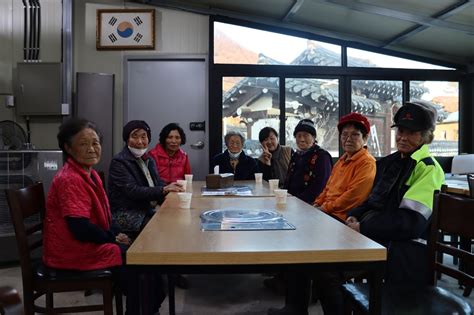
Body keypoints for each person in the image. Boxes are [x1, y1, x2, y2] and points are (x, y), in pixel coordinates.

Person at [268, 101, 445, 315]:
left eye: (411, 132)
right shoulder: (391, 161)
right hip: (369, 235)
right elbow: (371, 200)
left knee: (326, 269)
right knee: (305, 250)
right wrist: (354, 217)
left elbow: (411, 223)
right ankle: (295, 308)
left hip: (398, 248)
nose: (403, 137)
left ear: (426, 136)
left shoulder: (427, 168)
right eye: (400, 130)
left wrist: (362, 225)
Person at [42, 118, 154, 315]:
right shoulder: (70, 179)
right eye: (83, 144)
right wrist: (113, 237)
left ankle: (145, 307)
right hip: (71, 251)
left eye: (95, 143)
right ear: (68, 148)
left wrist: (114, 233)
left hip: (87, 241)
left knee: (143, 263)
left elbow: (103, 215)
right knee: (139, 266)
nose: (92, 149)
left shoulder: (90, 173)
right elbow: (80, 228)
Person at [108, 120, 183, 238]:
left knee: (177, 216)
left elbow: (158, 183)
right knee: (162, 226)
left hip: (147, 209)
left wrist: (172, 190)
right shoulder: (119, 162)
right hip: (126, 213)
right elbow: (133, 191)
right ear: (127, 139)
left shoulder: (148, 159)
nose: (140, 141)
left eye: (144, 137)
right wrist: (163, 189)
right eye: (134, 137)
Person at [314, 113, 376, 221]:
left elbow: (353, 196)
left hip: (342, 217)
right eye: (344, 134)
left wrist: (324, 208)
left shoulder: (367, 163)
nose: (348, 139)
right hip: (327, 212)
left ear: (365, 138)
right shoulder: (342, 160)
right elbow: (328, 188)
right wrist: (317, 203)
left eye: (355, 135)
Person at [284, 119, 332, 204]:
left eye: (306, 136)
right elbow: (288, 181)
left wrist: (296, 201)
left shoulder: (322, 156)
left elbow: (320, 187)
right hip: (291, 202)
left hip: (311, 204)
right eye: (298, 136)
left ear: (313, 138)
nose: (302, 139)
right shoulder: (296, 155)